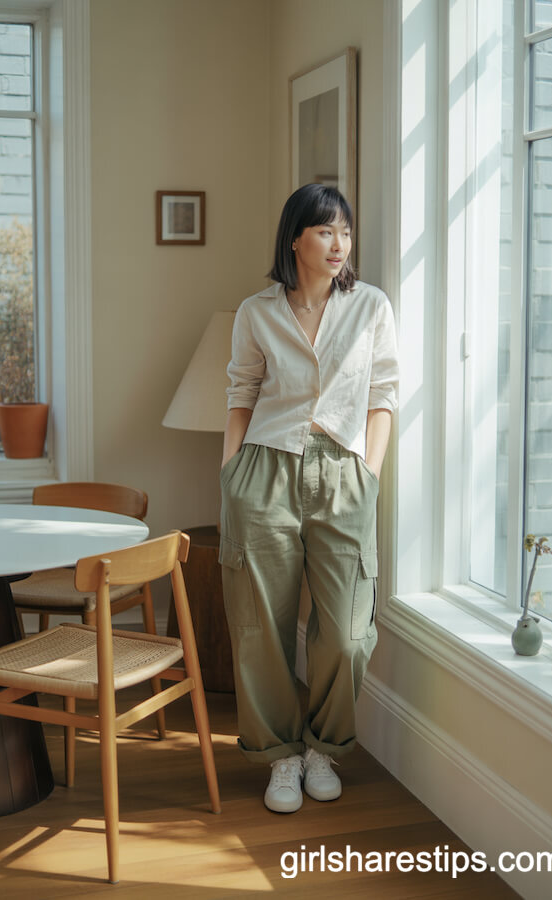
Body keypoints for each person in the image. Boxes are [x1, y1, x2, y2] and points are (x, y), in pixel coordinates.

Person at [219, 183, 399, 813]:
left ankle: (325, 746)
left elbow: (384, 397)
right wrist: (231, 474)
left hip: (345, 475)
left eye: (345, 232)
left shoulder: (371, 306)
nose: (338, 244)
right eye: (325, 231)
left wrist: (369, 475)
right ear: (294, 237)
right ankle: (281, 757)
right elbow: (241, 394)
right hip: (265, 471)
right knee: (260, 627)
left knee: (348, 631)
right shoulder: (256, 311)